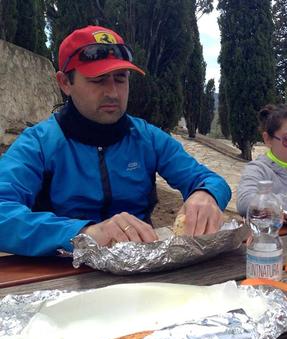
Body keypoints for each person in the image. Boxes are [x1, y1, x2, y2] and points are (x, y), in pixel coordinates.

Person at [0, 25, 231, 256]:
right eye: (98, 80)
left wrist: (206, 194)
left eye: (120, 79)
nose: (112, 92)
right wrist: (85, 233)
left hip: (145, 268)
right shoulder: (39, 143)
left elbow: (210, 180)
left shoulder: (147, 137)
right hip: (62, 273)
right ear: (65, 83)